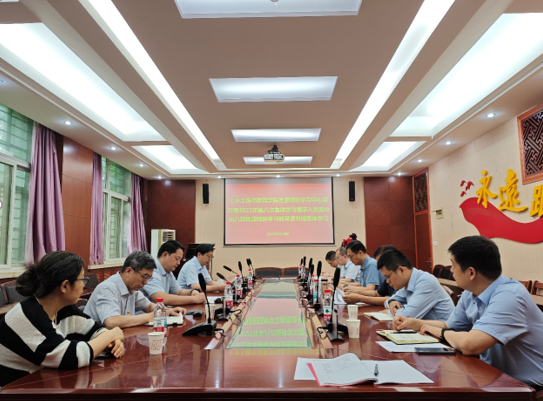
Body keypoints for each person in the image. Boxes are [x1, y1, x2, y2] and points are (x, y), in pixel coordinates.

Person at [394, 236, 543, 388]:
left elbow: (470, 344)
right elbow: (448, 326)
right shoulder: (470, 293)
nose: (451, 270)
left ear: (471, 272)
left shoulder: (509, 296)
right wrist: (414, 323)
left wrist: (441, 332)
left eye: (453, 265)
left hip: (529, 387)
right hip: (493, 377)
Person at [0, 251, 124, 387]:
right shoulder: (29, 315)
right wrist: (112, 334)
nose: (84, 285)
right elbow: (72, 357)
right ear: (65, 286)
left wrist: (111, 341)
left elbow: (94, 329)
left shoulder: (64, 308)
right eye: (82, 280)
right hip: (12, 391)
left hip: (42, 384)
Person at [85, 251, 186, 329]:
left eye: (149, 278)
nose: (146, 282)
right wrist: (150, 317)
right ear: (129, 271)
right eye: (144, 276)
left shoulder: (132, 289)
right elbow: (111, 322)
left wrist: (167, 311)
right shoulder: (108, 288)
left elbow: (149, 306)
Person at [379, 249, 454, 320]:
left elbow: (407, 316)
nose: (387, 281)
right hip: (425, 327)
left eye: (388, 277)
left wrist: (389, 312)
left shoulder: (425, 282)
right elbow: (388, 300)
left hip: (442, 328)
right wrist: (392, 302)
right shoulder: (407, 283)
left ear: (401, 270)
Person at [141, 240, 206, 306]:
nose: (178, 263)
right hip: (148, 312)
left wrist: (192, 292)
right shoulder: (152, 271)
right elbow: (162, 298)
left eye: (180, 260)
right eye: (177, 259)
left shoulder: (167, 270)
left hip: (161, 311)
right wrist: (194, 299)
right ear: (165, 255)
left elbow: (178, 292)